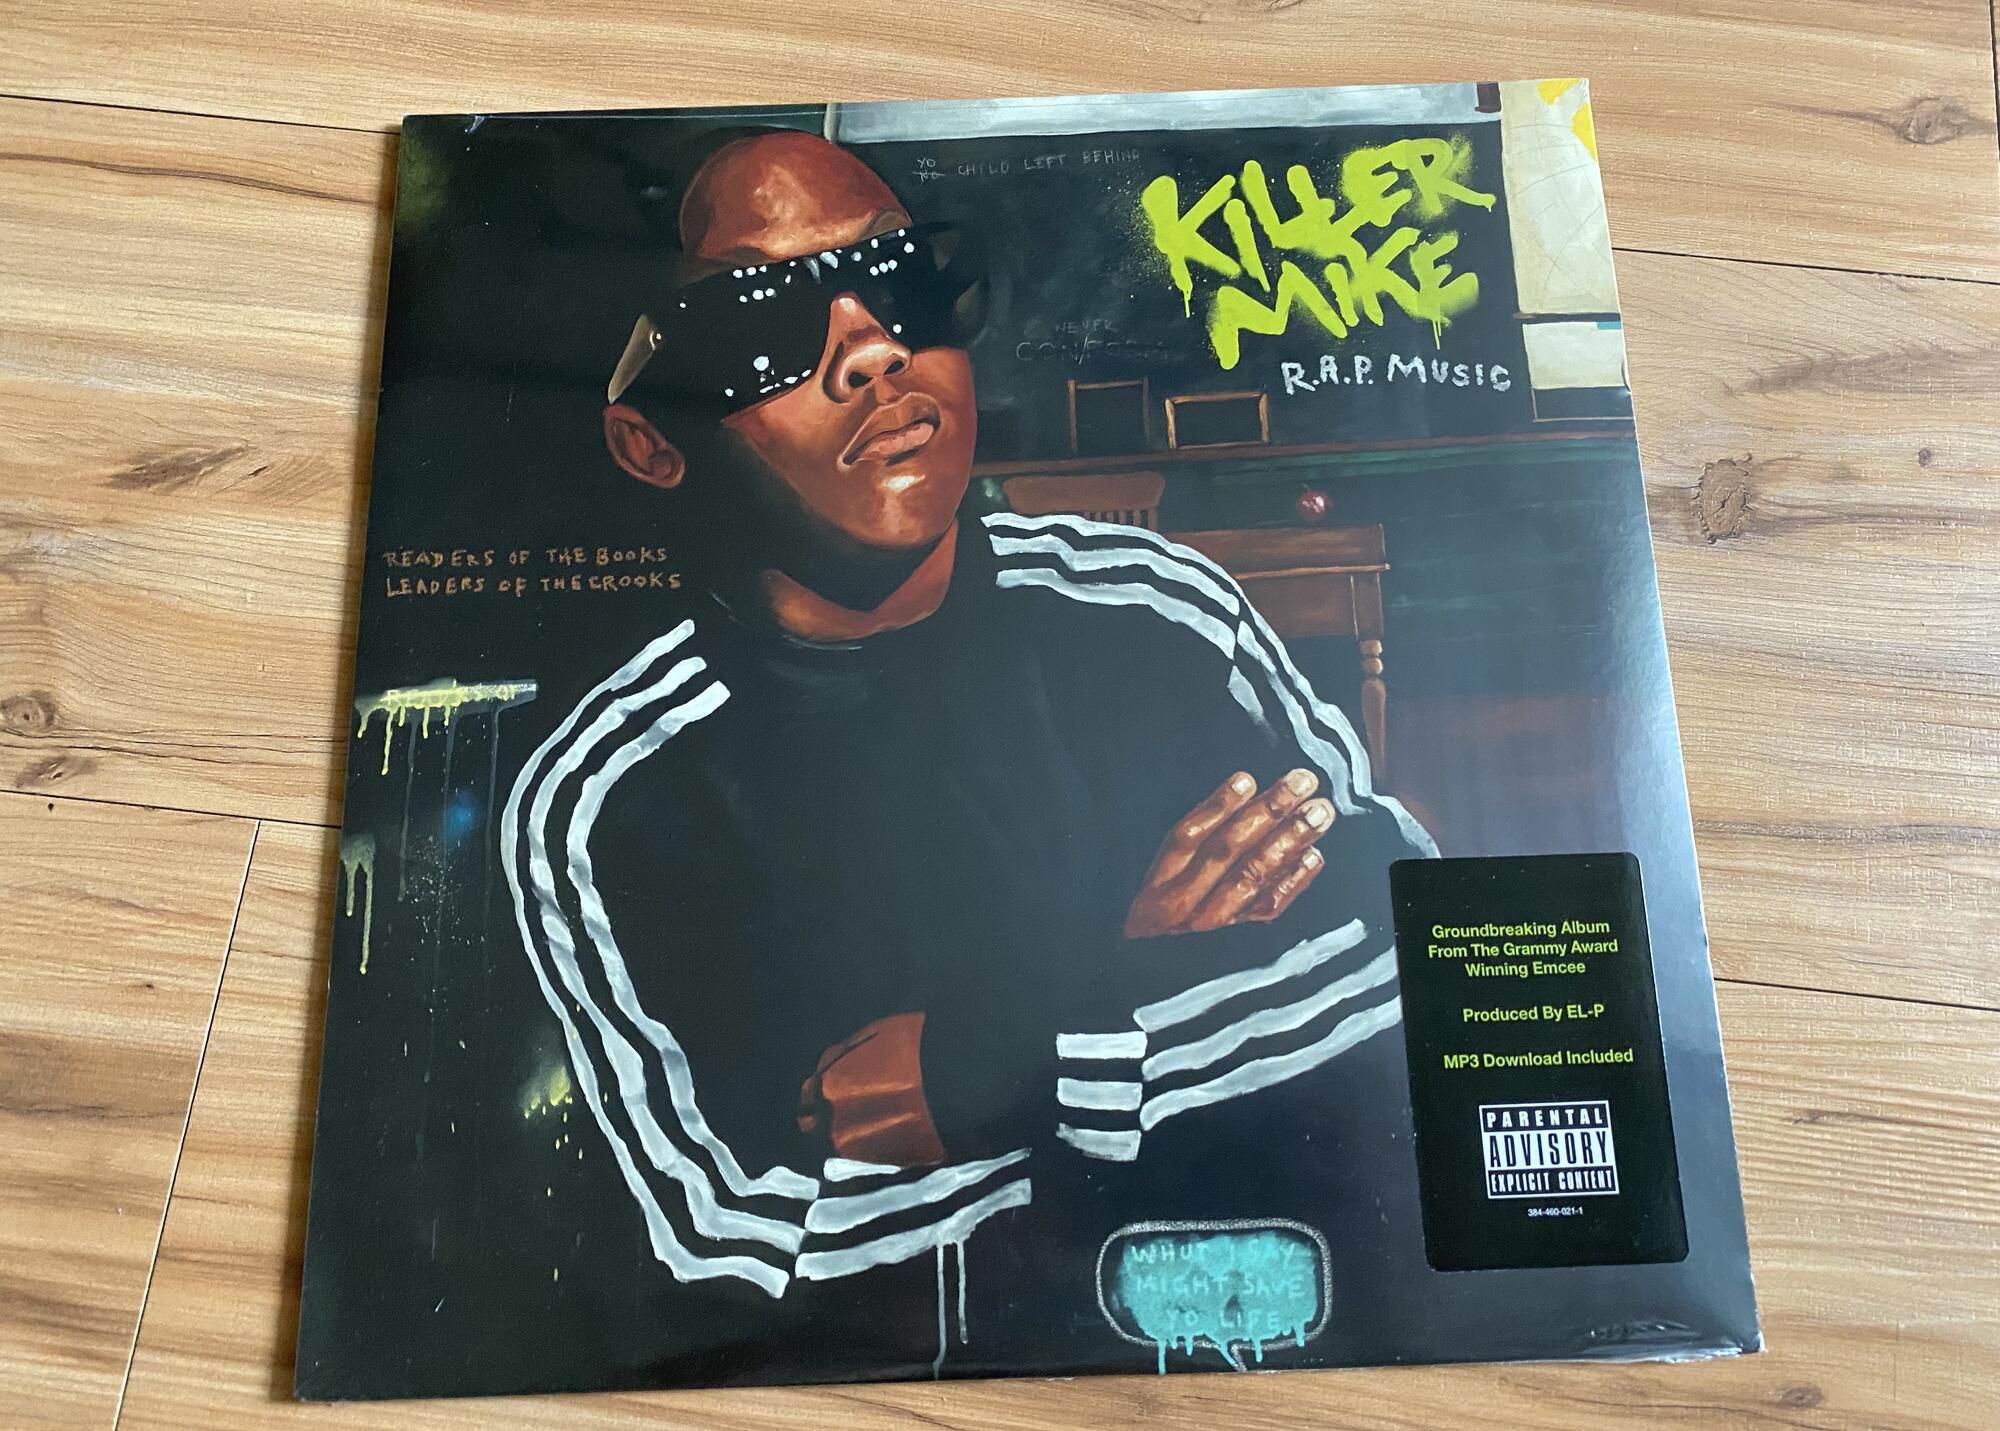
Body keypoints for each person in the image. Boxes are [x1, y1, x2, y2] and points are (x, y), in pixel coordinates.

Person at [501, 127, 1435, 1370]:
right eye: (761, 325)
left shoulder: (1156, 612)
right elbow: (732, 1246)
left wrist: (1003, 1067)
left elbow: (1409, 946)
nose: (871, 350)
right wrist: (1167, 1005)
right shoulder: (609, 793)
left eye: (899, 283)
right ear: (650, 442)